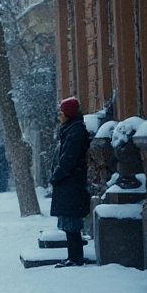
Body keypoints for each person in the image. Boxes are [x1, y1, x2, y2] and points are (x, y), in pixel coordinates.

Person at [51, 97, 91, 267]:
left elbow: (69, 157)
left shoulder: (75, 131)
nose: (59, 116)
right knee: (68, 220)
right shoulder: (69, 129)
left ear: (68, 114)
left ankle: (75, 257)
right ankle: (72, 256)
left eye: (61, 113)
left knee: (72, 220)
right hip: (68, 181)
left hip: (71, 181)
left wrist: (58, 174)